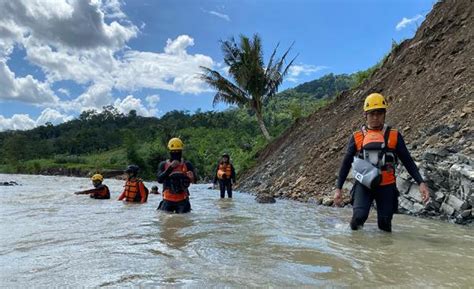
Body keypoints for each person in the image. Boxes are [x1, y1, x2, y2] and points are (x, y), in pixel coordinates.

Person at [334, 93, 430, 232]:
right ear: (365, 115)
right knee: (358, 219)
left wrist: (421, 182)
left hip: (386, 186)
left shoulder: (394, 135)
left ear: (384, 114)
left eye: (379, 113)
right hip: (363, 185)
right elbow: (346, 163)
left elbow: (407, 161)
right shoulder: (357, 137)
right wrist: (338, 188)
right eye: (372, 113)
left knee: (384, 225)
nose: (375, 117)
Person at [157, 138, 197, 213]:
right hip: (167, 200)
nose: (176, 153)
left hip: (183, 200)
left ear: (181, 151)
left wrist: (192, 178)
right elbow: (159, 180)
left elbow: (195, 181)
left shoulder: (187, 164)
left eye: (178, 151)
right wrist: (170, 168)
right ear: (170, 151)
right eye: (173, 151)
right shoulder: (163, 165)